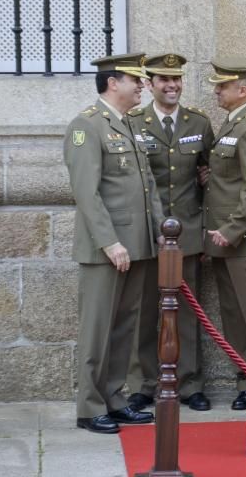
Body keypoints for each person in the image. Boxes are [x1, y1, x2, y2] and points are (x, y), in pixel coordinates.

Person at [63, 53, 162, 434]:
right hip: (106, 251)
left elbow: (147, 184)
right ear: (111, 82)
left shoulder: (129, 125)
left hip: (136, 246)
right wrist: (109, 243)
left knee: (123, 328)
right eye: (135, 79)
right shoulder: (86, 126)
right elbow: (87, 194)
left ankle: (114, 399)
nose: (142, 86)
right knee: (98, 329)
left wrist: (157, 232)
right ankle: (89, 407)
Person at [126, 53, 215, 413]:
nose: (172, 85)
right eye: (164, 79)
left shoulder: (199, 122)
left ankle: (191, 383)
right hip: (149, 235)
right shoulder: (134, 122)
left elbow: (212, 177)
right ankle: (144, 383)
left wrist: (208, 228)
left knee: (189, 312)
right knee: (146, 310)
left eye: (176, 78)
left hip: (189, 233)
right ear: (149, 85)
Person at [203, 58, 246, 412]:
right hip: (224, 239)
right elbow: (228, 177)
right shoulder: (233, 122)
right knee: (233, 317)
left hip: (242, 240)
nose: (216, 91)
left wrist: (232, 229)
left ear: (241, 90)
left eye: (221, 86)